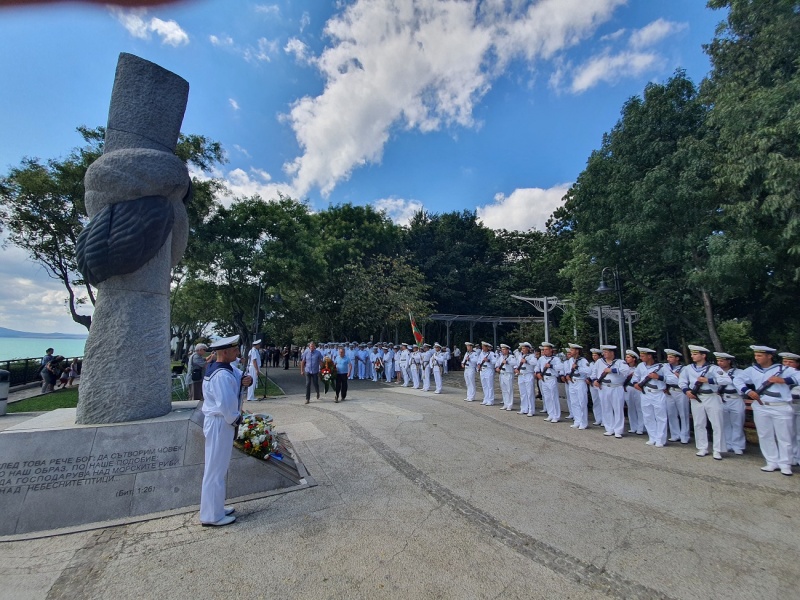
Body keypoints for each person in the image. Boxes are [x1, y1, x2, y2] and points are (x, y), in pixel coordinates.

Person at [200, 334, 253, 527]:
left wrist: (247, 380)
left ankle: (216, 507)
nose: (237, 353)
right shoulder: (221, 374)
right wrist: (238, 420)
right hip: (220, 423)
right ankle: (210, 516)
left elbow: (241, 378)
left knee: (219, 468)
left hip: (222, 422)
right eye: (234, 350)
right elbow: (227, 404)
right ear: (223, 352)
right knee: (214, 469)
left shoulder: (225, 368)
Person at [734, 345, 798, 475]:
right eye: (756, 355)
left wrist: (783, 380)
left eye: (760, 355)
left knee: (784, 436)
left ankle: (785, 463)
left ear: (769, 356)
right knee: (764, 435)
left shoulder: (783, 369)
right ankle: (771, 461)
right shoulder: (752, 370)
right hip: (761, 405)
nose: (757, 358)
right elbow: (737, 379)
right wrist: (748, 391)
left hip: (781, 406)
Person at [632, 347, 669, 447]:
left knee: (660, 417)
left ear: (649, 356)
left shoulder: (662, 366)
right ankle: (652, 437)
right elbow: (635, 377)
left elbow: (671, 379)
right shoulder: (640, 366)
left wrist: (659, 377)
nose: (640, 357)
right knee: (648, 416)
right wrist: (635, 384)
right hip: (645, 393)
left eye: (643, 355)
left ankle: (660, 439)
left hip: (657, 393)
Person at [594, 345, 630, 438]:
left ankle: (618, 430)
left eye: (606, 352)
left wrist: (612, 370)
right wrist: (595, 380)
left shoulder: (620, 362)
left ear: (612, 352)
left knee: (618, 409)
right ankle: (609, 428)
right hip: (604, 387)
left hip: (616, 387)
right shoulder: (599, 362)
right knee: (606, 408)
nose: (604, 354)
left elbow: (626, 370)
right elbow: (594, 372)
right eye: (604, 352)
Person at [715, 351, 746, 455]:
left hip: (735, 398)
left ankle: (738, 445)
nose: (719, 363)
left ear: (729, 361)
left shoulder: (739, 372)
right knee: (725, 423)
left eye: (722, 361)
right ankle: (728, 443)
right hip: (722, 398)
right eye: (718, 361)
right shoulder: (716, 371)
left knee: (737, 423)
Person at [664, 349, 691, 444]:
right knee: (671, 413)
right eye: (668, 357)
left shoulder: (684, 368)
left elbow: (685, 381)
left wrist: (678, 377)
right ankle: (675, 434)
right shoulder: (665, 367)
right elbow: (665, 378)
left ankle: (685, 435)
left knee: (683, 414)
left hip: (680, 391)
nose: (668, 359)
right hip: (670, 391)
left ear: (677, 358)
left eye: (671, 357)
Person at [564, 344, 591, 429]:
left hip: (580, 382)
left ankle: (583, 422)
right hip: (572, 381)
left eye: (572, 350)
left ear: (577, 351)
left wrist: (578, 367)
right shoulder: (571, 360)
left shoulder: (583, 360)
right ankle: (577, 420)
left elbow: (589, 371)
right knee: (574, 402)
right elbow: (568, 369)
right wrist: (568, 375)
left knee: (582, 402)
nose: (570, 352)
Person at [536, 342, 563, 423]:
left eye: (546, 349)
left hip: (551, 378)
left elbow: (561, 367)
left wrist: (551, 366)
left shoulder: (555, 359)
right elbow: (537, 367)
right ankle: (550, 414)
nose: (545, 351)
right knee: (547, 397)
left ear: (551, 350)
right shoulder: (541, 359)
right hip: (544, 378)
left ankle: (556, 415)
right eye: (544, 350)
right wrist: (537, 373)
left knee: (553, 397)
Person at [623, 350, 644, 435]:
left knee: (639, 408)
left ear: (634, 359)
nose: (626, 359)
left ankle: (641, 428)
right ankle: (633, 427)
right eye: (626, 357)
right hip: (628, 388)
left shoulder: (638, 367)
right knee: (631, 408)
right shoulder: (625, 368)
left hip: (637, 388)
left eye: (628, 357)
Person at [495, 343, 517, 410]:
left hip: (508, 374)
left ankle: (510, 405)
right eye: (502, 349)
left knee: (509, 390)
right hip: (502, 374)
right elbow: (497, 364)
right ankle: (505, 403)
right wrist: (497, 368)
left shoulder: (511, 357)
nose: (503, 351)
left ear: (507, 350)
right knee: (504, 390)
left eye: (504, 349)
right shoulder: (501, 357)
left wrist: (507, 362)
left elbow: (514, 363)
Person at [588, 348, 604, 426]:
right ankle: (598, 419)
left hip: (600, 384)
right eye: (593, 355)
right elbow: (590, 373)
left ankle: (604, 420)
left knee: (603, 402)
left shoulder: (602, 363)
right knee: (596, 401)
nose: (594, 357)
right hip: (592, 384)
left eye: (595, 355)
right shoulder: (591, 364)